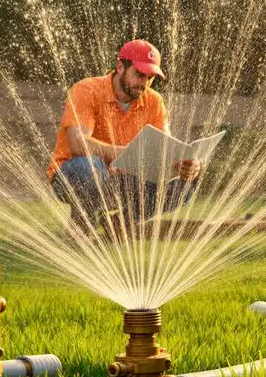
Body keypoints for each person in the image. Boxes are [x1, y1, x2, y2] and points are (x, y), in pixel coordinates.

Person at [47, 39, 201, 236]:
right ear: (120, 66)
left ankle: (122, 222)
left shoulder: (154, 101)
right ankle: (82, 222)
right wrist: (124, 154)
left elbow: (167, 146)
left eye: (150, 77)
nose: (144, 83)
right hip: (74, 175)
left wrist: (188, 165)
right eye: (139, 74)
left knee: (186, 185)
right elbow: (78, 144)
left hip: (122, 180)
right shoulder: (86, 90)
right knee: (90, 169)